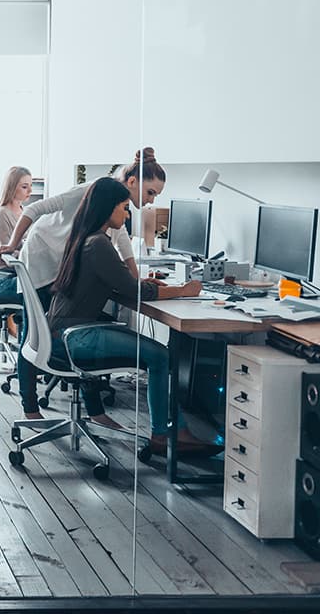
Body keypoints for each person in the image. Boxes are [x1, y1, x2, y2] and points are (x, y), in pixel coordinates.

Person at [46, 177, 215, 455]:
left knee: (158, 355)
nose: (127, 215)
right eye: (124, 208)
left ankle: (172, 429)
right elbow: (137, 292)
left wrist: (152, 286)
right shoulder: (98, 244)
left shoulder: (85, 238)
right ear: (107, 208)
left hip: (64, 333)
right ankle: (165, 435)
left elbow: (124, 285)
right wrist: (183, 290)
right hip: (77, 337)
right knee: (160, 357)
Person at [0, 148, 167, 424]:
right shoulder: (93, 192)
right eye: (150, 193)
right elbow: (36, 209)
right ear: (133, 182)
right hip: (42, 260)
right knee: (34, 334)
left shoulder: (115, 208)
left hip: (65, 264)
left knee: (86, 322)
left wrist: (134, 283)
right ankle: (30, 408)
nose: (151, 201)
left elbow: (124, 246)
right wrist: (13, 244)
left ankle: (95, 411)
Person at [0, 166, 33, 301]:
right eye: (25, 187)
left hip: (19, 274)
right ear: (12, 187)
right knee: (39, 291)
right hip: (3, 278)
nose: (30, 190)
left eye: (31, 185)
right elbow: (7, 255)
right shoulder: (2, 213)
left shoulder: (25, 212)